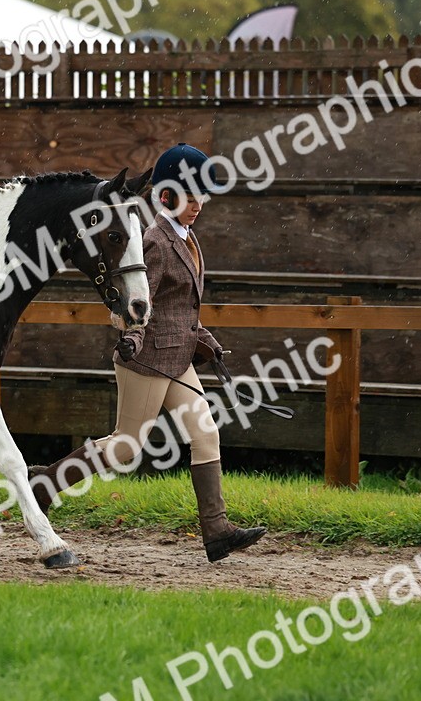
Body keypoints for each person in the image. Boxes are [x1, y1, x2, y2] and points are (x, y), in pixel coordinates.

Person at [28, 143, 266, 562]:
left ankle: (217, 530)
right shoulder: (154, 242)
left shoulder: (187, 238)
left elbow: (178, 310)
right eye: (190, 196)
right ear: (167, 195)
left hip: (176, 360)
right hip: (145, 360)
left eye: (202, 196)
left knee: (205, 433)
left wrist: (204, 340)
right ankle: (45, 485)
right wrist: (132, 338)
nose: (198, 205)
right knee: (125, 448)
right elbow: (139, 304)